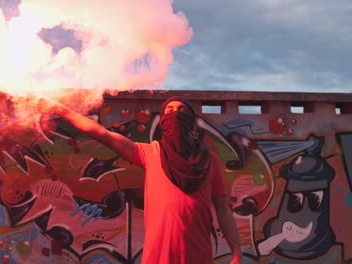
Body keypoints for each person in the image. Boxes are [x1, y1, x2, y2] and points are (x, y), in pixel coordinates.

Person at [45, 96, 242, 264]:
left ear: (191, 120)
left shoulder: (209, 161)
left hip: (199, 256)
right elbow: (102, 134)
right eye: (170, 110)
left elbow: (223, 209)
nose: (176, 113)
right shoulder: (151, 153)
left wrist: (236, 252)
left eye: (182, 109)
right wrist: (61, 111)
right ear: (163, 120)